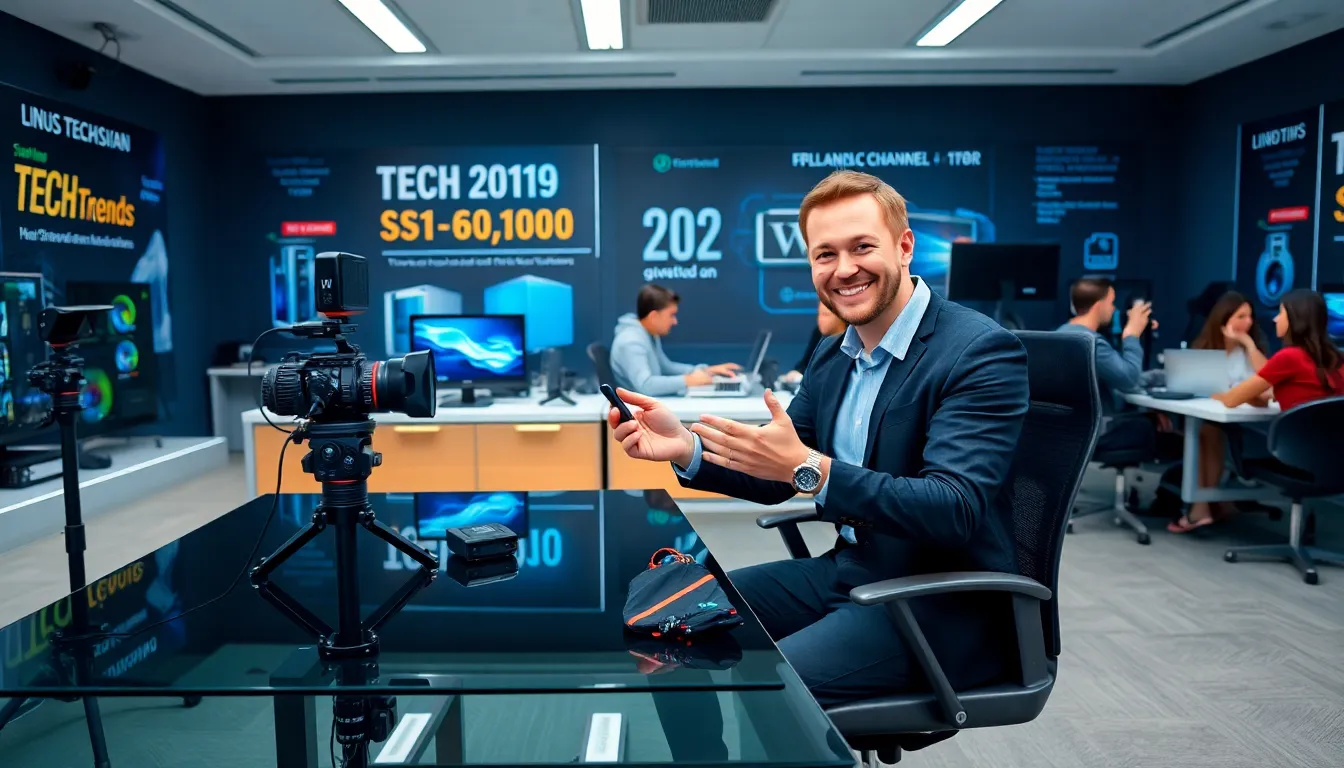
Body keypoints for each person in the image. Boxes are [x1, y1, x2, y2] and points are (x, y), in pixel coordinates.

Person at [607, 170, 1030, 707]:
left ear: (904, 248)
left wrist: (810, 469)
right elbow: (776, 475)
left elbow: (953, 508)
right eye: (825, 254)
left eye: (862, 247)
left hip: (941, 602)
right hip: (850, 571)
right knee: (666, 628)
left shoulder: (978, 351)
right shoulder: (835, 354)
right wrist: (686, 447)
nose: (844, 269)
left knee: (768, 692)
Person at [1171, 291, 1269, 532]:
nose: (1247, 322)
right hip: (1215, 417)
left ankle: (1202, 506)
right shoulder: (1205, 348)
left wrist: (1249, 345)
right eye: (1241, 316)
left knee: (1209, 433)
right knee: (1205, 432)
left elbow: (1268, 377)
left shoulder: (1252, 352)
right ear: (1223, 319)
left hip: (1250, 422)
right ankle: (1207, 503)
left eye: (1250, 316)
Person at [1055, 277, 1159, 452]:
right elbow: (1129, 380)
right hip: (1096, 432)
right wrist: (1132, 335)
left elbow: (1117, 376)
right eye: (1111, 303)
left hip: (1069, 431)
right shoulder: (1091, 342)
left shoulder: (1061, 334)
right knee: (1152, 427)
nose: (1114, 309)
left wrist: (1157, 378)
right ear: (1099, 306)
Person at [1212, 289, 1344, 412]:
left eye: (1280, 313)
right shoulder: (1337, 357)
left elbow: (1231, 400)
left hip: (1298, 430)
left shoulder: (1289, 357)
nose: (1275, 319)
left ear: (1294, 319)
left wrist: (1216, 395)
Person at [610, 284, 741, 397]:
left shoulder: (649, 334)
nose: (675, 321)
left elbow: (666, 367)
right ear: (654, 316)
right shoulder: (631, 341)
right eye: (671, 315)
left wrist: (705, 371)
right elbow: (645, 385)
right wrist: (688, 380)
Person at [783, 302, 847, 383]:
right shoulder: (818, 334)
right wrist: (796, 372)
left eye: (825, 315)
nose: (820, 319)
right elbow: (805, 364)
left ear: (841, 317)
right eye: (819, 314)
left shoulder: (851, 342)